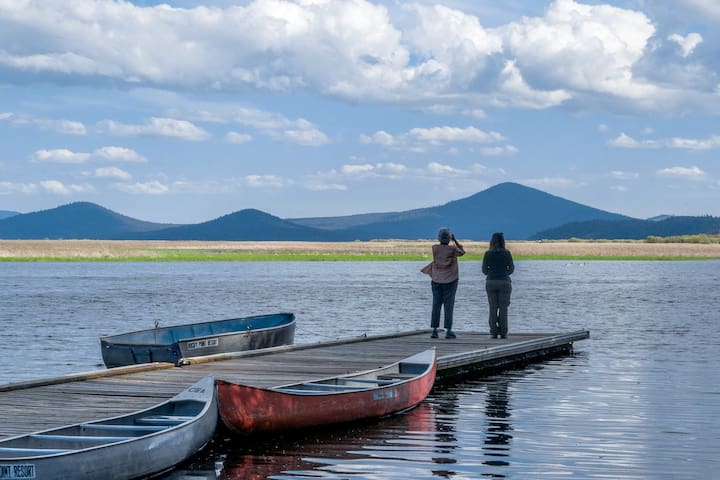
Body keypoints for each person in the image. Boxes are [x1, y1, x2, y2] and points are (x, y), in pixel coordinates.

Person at [421, 228, 465, 339]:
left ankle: (434, 331)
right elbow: (462, 252)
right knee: (448, 305)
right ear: (449, 238)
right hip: (451, 280)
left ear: (439, 238)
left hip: (436, 280)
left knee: (436, 304)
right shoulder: (453, 249)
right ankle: (448, 330)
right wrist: (455, 241)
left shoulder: (434, 248)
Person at [482, 232, 514, 339]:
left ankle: (493, 331)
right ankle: (503, 332)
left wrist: (492, 272)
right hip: (504, 282)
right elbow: (512, 269)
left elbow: (484, 270)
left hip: (491, 282)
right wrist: (504, 273)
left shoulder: (488, 254)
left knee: (492, 307)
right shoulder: (507, 253)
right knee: (503, 308)